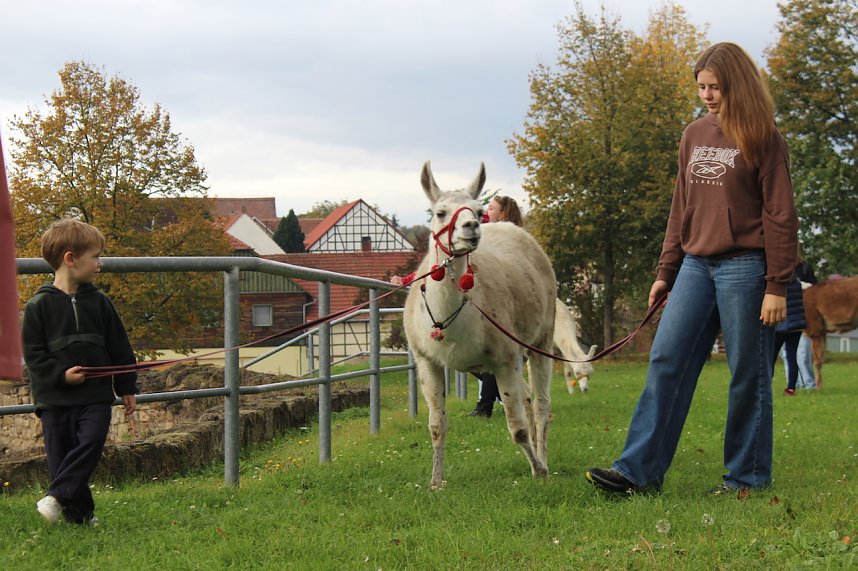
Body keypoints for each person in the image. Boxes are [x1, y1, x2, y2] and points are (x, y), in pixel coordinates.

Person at [585, 43, 799, 496]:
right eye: (701, 86)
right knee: (666, 359)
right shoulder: (693, 135)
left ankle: (746, 479)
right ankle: (636, 473)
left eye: (715, 87)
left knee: (748, 373)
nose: (707, 95)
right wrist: (667, 270)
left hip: (747, 267)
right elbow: (681, 207)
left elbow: (781, 215)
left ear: (736, 85)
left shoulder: (764, 137)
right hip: (696, 267)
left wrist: (778, 283)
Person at [22, 219, 138, 524]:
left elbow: (120, 348)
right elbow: (34, 357)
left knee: (89, 444)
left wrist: (126, 386)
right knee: (61, 459)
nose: (100, 264)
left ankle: (56, 496)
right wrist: (61, 375)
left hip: (95, 396)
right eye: (95, 257)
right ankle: (81, 517)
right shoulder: (38, 306)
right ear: (70, 259)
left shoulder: (100, 303)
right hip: (54, 400)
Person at [464, 196, 524, 418]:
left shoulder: (507, 240)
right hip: (488, 301)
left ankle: (484, 406)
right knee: (472, 356)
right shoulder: (486, 235)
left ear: (504, 213)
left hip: (502, 303)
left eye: (491, 208)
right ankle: (502, 390)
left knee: (491, 351)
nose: (486, 212)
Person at [774, 260, 816, 395]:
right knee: (792, 357)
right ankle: (791, 388)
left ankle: (765, 386)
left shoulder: (777, 284)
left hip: (780, 325)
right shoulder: (798, 283)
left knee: (770, 357)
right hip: (796, 325)